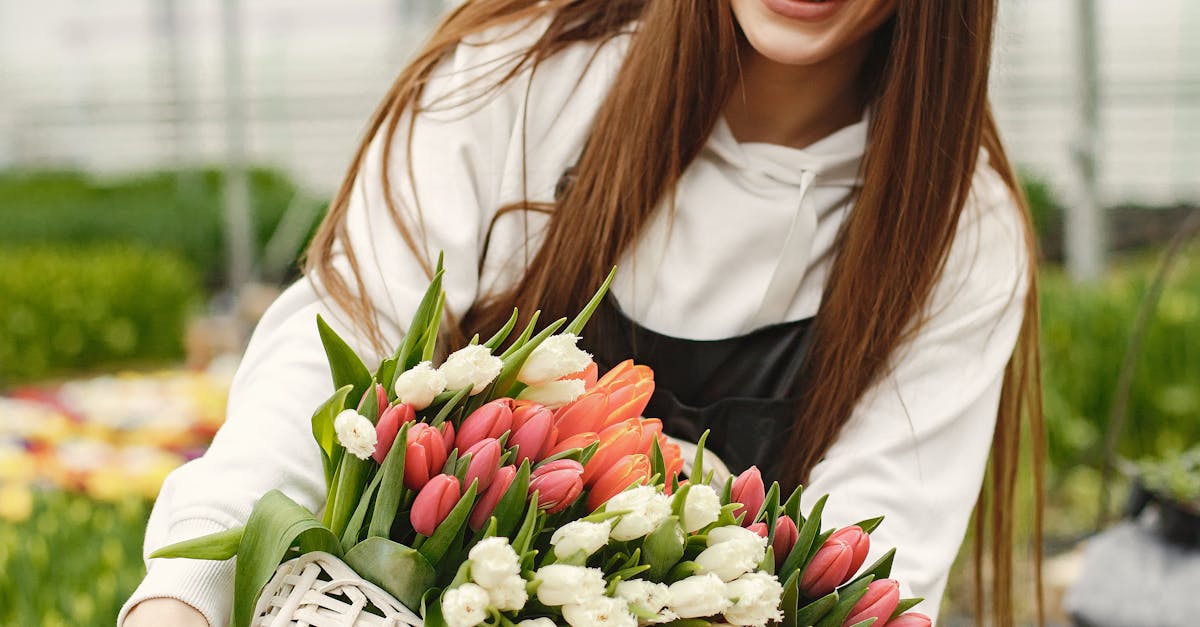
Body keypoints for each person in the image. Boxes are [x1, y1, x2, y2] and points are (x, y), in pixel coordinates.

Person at [122, 0, 1044, 625]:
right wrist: (187, 593)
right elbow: (330, 368)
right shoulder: (516, 79)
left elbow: (863, 568)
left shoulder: (958, 233)